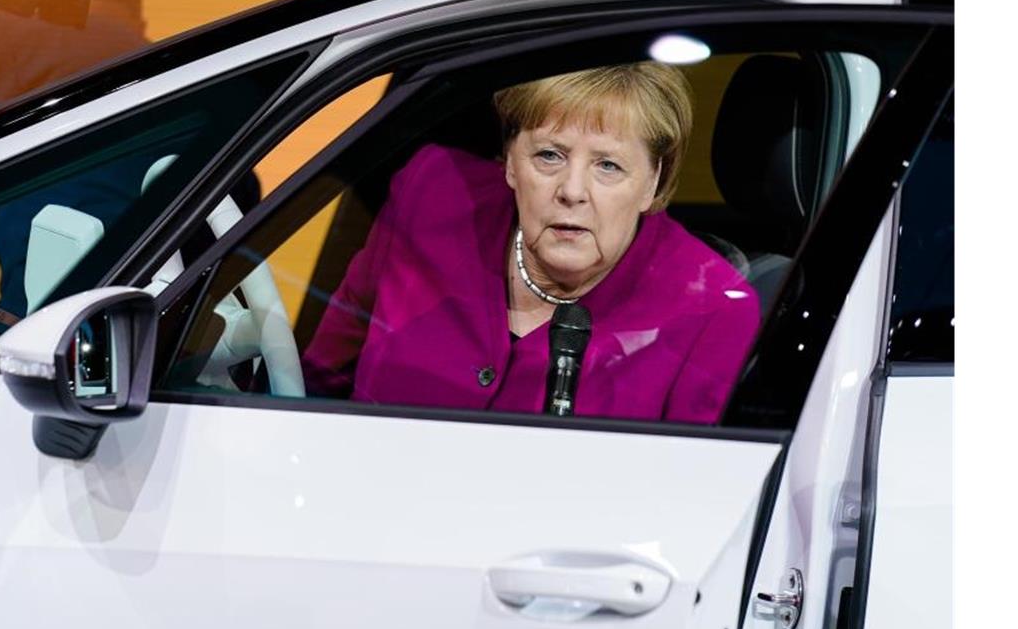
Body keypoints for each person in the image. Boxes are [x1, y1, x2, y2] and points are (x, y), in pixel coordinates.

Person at [301, 62, 759, 423]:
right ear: (510, 162)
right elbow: (316, 381)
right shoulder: (431, 196)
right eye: (549, 155)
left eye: (608, 166)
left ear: (652, 183)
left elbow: (691, 497)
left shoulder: (712, 311)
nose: (573, 190)